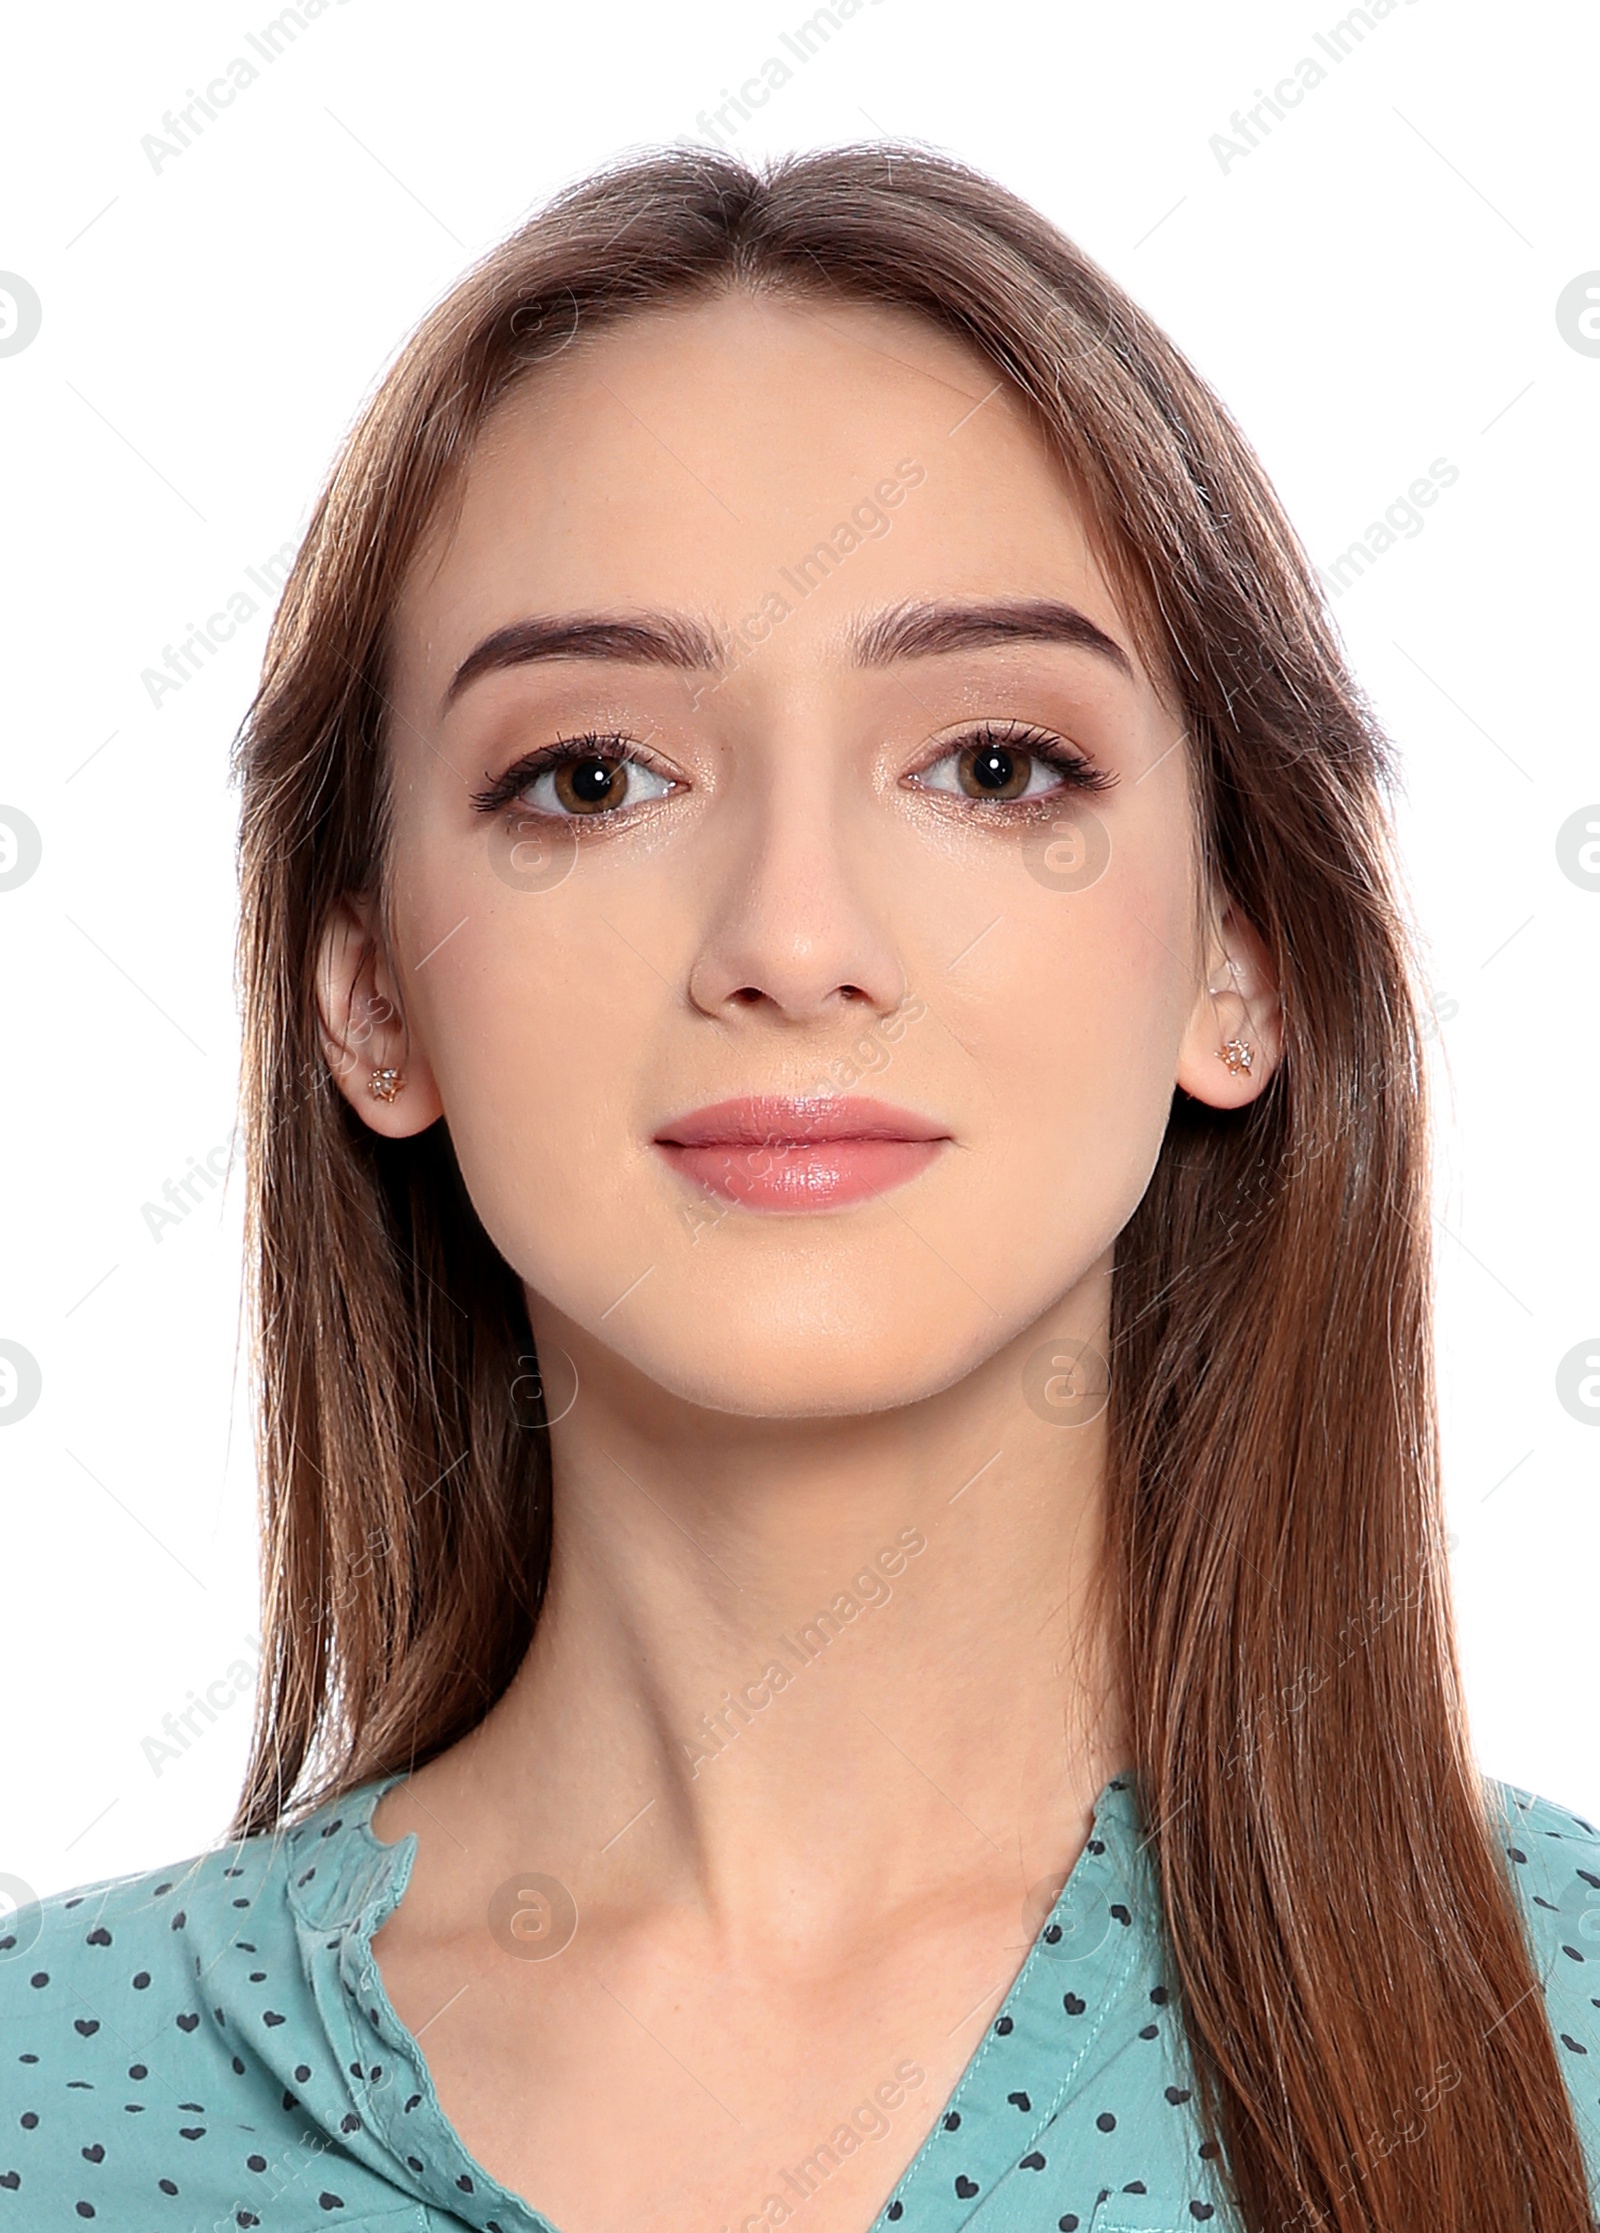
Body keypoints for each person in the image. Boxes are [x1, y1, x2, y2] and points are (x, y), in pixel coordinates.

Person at [3, 143, 1596, 2233]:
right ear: (370, 997)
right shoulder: (49, 2099)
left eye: (991, 767)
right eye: (590, 777)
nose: (788, 933)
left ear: (1240, 959)